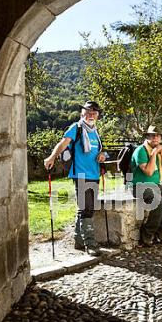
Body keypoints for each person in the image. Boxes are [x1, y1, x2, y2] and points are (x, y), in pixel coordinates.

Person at [43, 101, 106, 256]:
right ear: (82, 113)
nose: (91, 115)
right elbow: (63, 143)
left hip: (94, 174)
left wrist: (102, 155)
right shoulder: (76, 128)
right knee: (87, 209)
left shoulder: (95, 132)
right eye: (88, 112)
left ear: (97, 116)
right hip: (80, 174)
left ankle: (79, 240)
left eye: (94, 113)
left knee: (86, 208)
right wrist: (52, 157)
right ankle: (90, 244)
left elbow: (101, 151)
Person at [131, 126, 162, 246]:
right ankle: (147, 235)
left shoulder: (159, 151)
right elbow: (149, 172)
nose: (156, 138)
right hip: (140, 186)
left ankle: (159, 233)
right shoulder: (141, 151)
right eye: (153, 135)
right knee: (159, 202)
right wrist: (154, 153)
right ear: (147, 136)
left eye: (158, 135)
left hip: (155, 185)